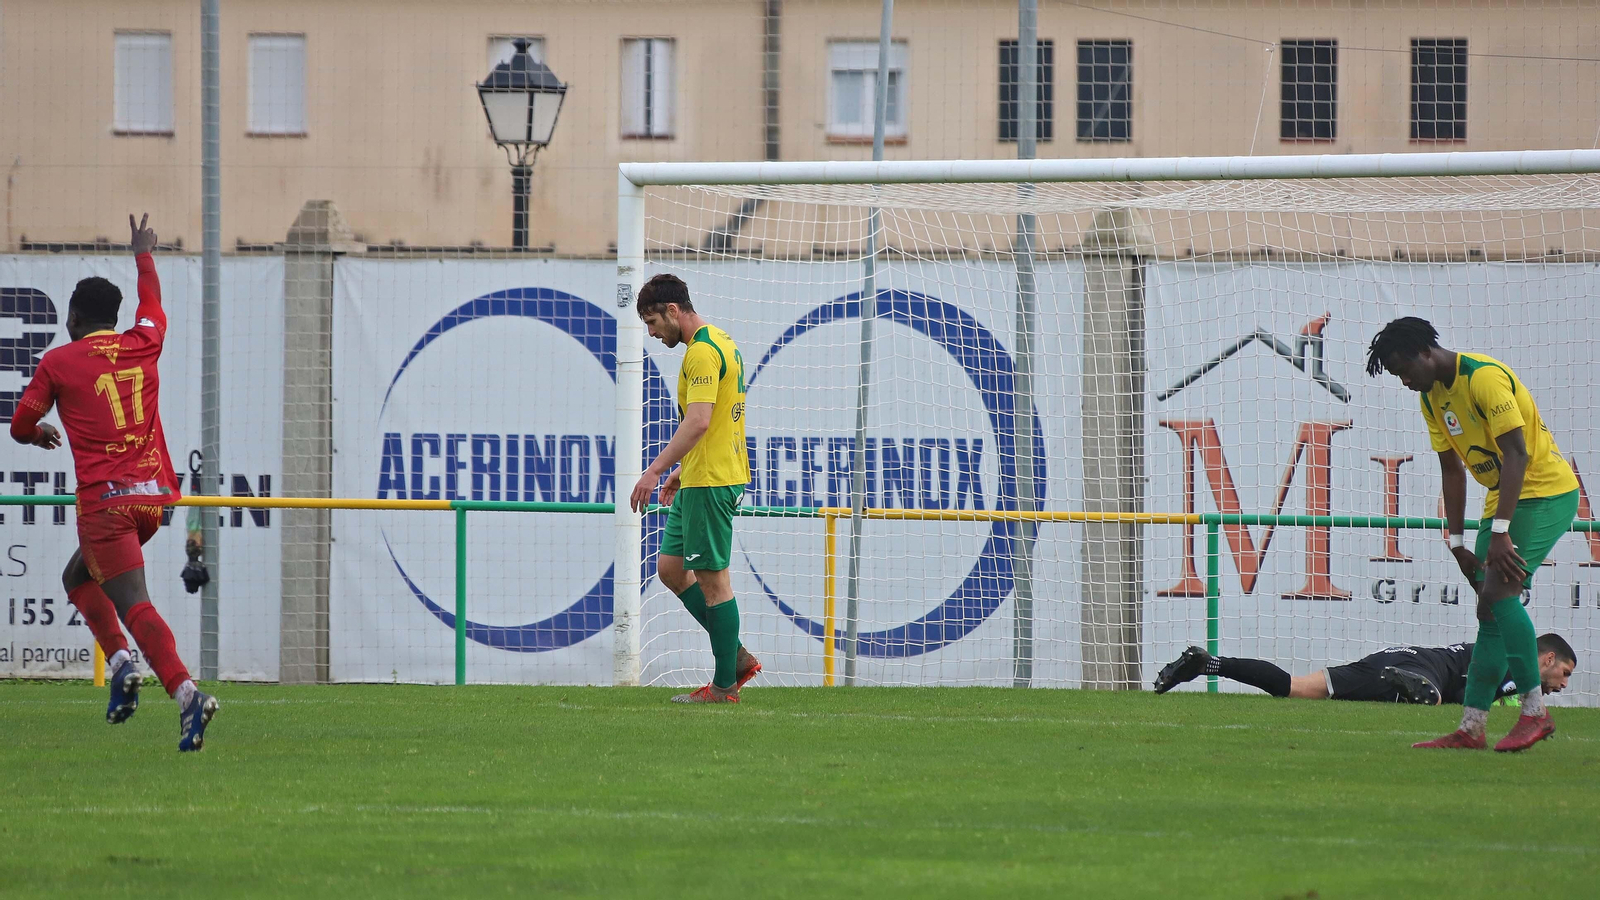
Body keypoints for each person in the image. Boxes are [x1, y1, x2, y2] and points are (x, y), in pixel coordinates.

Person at [10, 214, 218, 751]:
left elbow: (19, 425)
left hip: (106, 505)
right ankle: (121, 662)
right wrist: (143, 254)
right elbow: (153, 305)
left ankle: (186, 693)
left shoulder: (58, 361)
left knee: (134, 603)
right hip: (152, 499)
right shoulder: (143, 342)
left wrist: (39, 436)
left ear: (74, 318)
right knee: (78, 577)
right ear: (115, 317)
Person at [1367, 316, 1579, 751]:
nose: (1405, 381)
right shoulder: (1431, 399)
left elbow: (1517, 454)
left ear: (1426, 352)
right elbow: (1452, 469)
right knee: (1488, 610)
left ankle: (1535, 714)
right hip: (1501, 499)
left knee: (1501, 594)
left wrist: (1500, 532)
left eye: (1405, 369)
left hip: (1543, 494)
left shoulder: (1482, 378)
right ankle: (1472, 728)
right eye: (1397, 376)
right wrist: (1458, 543)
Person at [628, 274, 760, 703]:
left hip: (713, 481)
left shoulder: (702, 352)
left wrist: (654, 470)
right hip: (699, 476)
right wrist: (683, 469)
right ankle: (734, 655)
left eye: (652, 322)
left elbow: (700, 419)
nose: (651, 333)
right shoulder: (721, 340)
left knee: (713, 581)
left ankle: (723, 687)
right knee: (670, 568)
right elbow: (720, 418)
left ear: (672, 311)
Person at [1153, 634, 1576, 705]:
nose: (1564, 683)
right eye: (1565, 673)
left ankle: (1207, 663)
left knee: (1295, 688)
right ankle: (1413, 689)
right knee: (1433, 698)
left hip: (1396, 656)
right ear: (1547, 660)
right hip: (1424, 667)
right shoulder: (1519, 664)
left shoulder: (1505, 651)